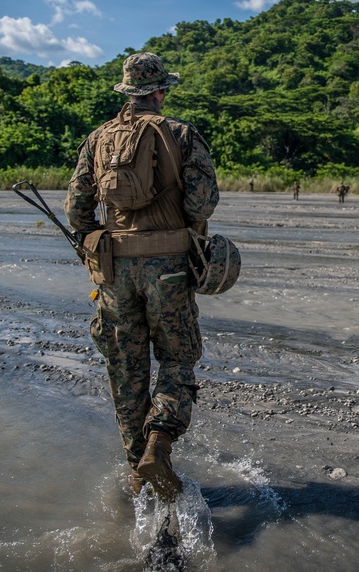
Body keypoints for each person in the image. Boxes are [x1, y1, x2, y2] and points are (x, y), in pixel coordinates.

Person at [65, 52, 219, 502]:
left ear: (128, 91)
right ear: (159, 92)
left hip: (113, 271)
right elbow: (202, 204)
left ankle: (138, 475)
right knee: (176, 359)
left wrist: (99, 238)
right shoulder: (181, 133)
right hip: (169, 267)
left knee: (125, 370)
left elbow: (77, 211)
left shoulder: (97, 139)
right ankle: (160, 444)